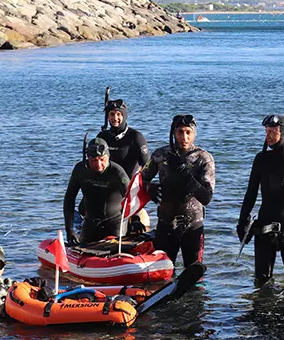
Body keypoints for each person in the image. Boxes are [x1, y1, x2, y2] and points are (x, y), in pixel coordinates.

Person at [237, 115, 284, 285]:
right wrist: (242, 222)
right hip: (264, 229)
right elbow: (250, 194)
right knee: (261, 282)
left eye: (273, 131)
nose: (268, 136)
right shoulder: (261, 159)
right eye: (266, 132)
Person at [141, 114, 215, 267]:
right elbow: (141, 179)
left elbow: (206, 197)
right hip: (166, 224)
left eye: (188, 132)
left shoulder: (203, 158)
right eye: (180, 132)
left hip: (193, 225)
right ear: (173, 133)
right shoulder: (160, 155)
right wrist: (150, 188)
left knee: (194, 276)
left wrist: (184, 173)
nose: (184, 137)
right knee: (163, 275)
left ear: (194, 133)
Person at [97, 98, 151, 233]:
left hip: (129, 191)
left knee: (136, 223)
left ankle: (137, 224)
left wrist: (144, 188)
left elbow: (148, 166)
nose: (115, 118)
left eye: (119, 114)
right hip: (107, 189)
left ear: (124, 115)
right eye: (111, 114)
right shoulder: (102, 136)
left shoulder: (136, 137)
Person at [63, 138, 130, 246]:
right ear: (87, 158)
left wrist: (135, 219)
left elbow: (132, 198)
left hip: (115, 223)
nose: (99, 165)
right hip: (90, 223)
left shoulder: (117, 172)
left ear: (108, 157)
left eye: (102, 159)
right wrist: (69, 229)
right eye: (94, 161)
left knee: (113, 253)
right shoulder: (80, 170)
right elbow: (69, 199)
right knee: (82, 251)